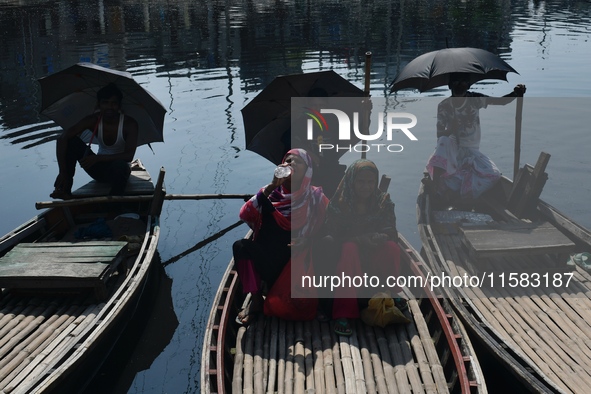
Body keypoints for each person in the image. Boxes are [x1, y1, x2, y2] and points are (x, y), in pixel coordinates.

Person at [233, 148, 328, 325]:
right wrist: (271, 186)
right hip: (271, 264)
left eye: (296, 161)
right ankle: (256, 299)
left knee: (326, 245)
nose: (290, 164)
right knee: (241, 247)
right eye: (287, 160)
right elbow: (244, 214)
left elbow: (330, 230)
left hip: (300, 264)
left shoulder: (316, 197)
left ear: (307, 170)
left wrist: (307, 241)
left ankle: (321, 300)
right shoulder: (270, 193)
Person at [319, 159, 402, 336]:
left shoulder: (382, 201)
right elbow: (332, 235)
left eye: (371, 182)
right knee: (349, 248)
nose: (366, 187)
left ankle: (392, 292)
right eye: (361, 182)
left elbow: (391, 230)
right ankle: (344, 312)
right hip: (346, 259)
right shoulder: (339, 204)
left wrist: (382, 236)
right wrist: (359, 239)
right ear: (352, 181)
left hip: (373, 254)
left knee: (392, 248)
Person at [423, 73, 526, 202]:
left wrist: (515, 93)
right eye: (456, 83)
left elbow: (500, 101)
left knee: (494, 175)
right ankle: (436, 185)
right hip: (452, 150)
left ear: (468, 85)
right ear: (450, 86)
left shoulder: (474, 99)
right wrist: (452, 129)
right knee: (444, 140)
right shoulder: (444, 105)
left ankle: (456, 192)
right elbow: (439, 135)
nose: (459, 86)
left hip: (472, 151)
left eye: (463, 83)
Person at [50, 83, 139, 199]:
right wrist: (62, 172)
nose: (109, 107)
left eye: (114, 103)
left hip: (119, 171)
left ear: (119, 106)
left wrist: (97, 158)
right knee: (71, 141)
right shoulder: (93, 120)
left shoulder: (129, 124)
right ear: (99, 104)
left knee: (120, 165)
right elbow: (63, 138)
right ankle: (65, 190)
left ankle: (114, 204)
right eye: (105, 103)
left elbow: (129, 156)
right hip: (98, 169)